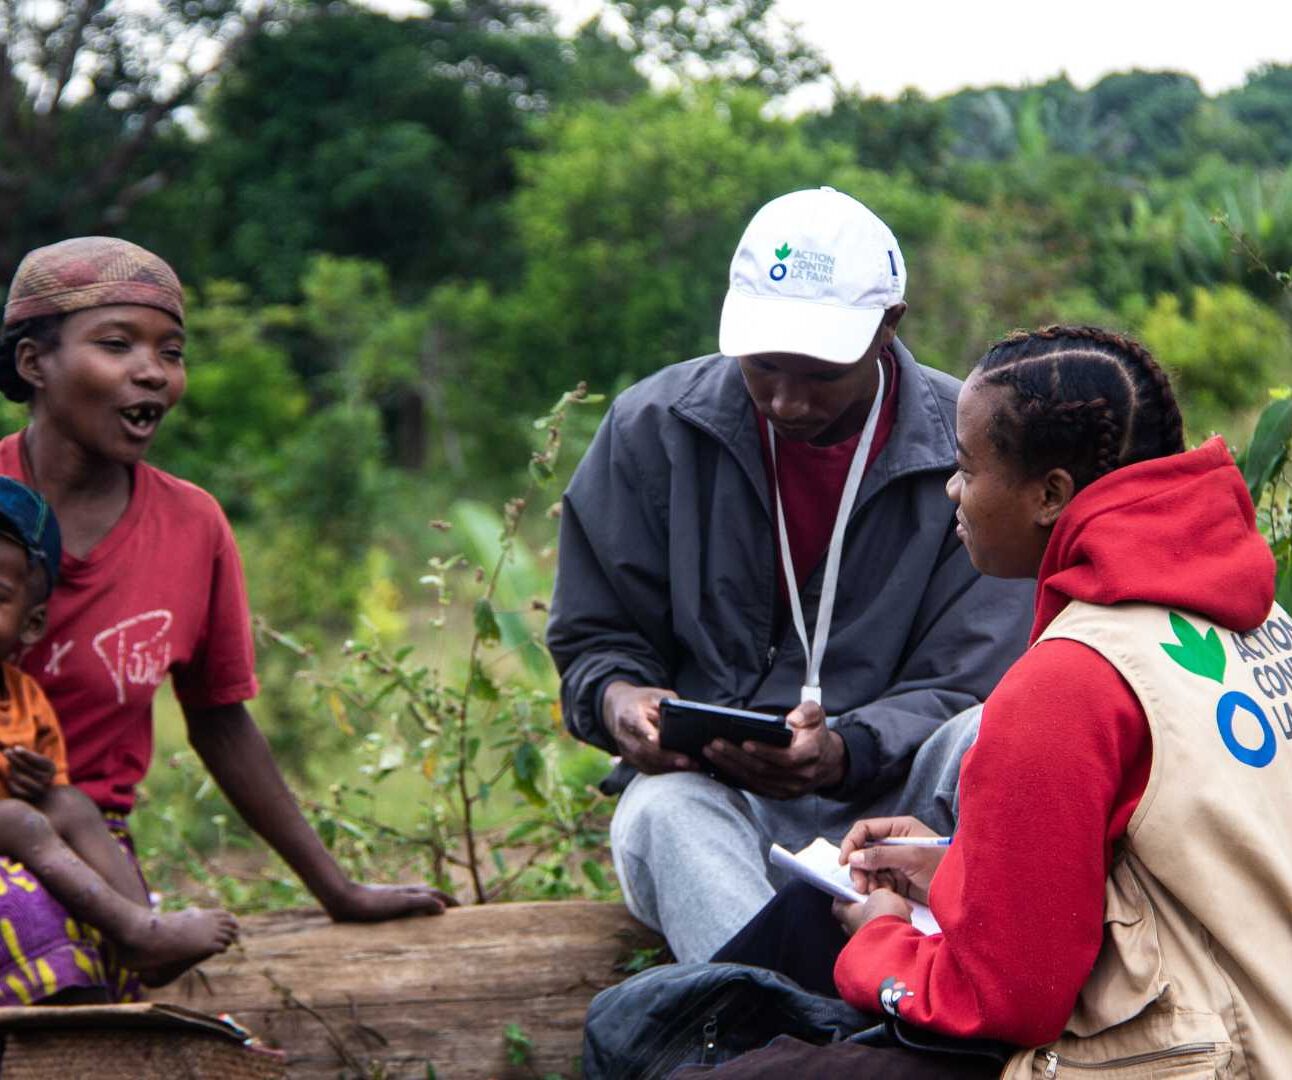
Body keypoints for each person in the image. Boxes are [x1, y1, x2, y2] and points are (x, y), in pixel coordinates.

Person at [701, 326, 1291, 1076]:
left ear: (1050, 495)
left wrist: (879, 936)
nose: (953, 490)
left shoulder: (1070, 679)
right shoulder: (1259, 622)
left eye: (964, 466)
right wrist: (961, 868)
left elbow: (1008, 998)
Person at [546, 188, 1033, 963]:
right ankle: (789, 1029)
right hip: (724, 807)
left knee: (993, 736)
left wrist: (845, 750)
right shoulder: (654, 429)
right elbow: (595, 633)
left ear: (888, 327)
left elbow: (974, 679)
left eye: (818, 371)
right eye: (763, 364)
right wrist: (620, 700)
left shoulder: (972, 449)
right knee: (662, 812)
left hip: (903, 802)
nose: (785, 398)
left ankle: (830, 1013)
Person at [0, 236, 454, 1006]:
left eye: (170, 352)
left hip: (83, 849)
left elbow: (220, 719)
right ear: (33, 363)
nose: (153, 370)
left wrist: (337, 888)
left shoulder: (191, 526)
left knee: (50, 934)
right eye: (117, 344)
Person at [0, 476, 239, 979]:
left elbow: (54, 788)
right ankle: (133, 928)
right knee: (22, 822)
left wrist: (38, 780)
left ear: (31, 625)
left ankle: (148, 938)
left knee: (70, 803)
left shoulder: (26, 698)